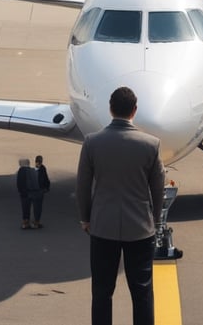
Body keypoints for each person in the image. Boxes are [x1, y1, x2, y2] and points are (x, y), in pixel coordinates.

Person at [76, 86, 165, 325]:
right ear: (134, 110)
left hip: (103, 227)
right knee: (142, 291)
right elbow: (158, 189)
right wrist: (154, 221)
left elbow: (83, 186)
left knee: (102, 292)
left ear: (110, 108)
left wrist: (86, 218)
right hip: (139, 229)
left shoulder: (92, 143)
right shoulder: (151, 144)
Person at [16, 157, 50, 229]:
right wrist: (46, 188)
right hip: (38, 192)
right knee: (37, 208)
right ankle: (36, 223)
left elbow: (19, 183)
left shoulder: (21, 171)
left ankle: (26, 222)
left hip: (25, 192)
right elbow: (45, 179)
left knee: (25, 207)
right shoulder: (42, 169)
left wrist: (21, 191)